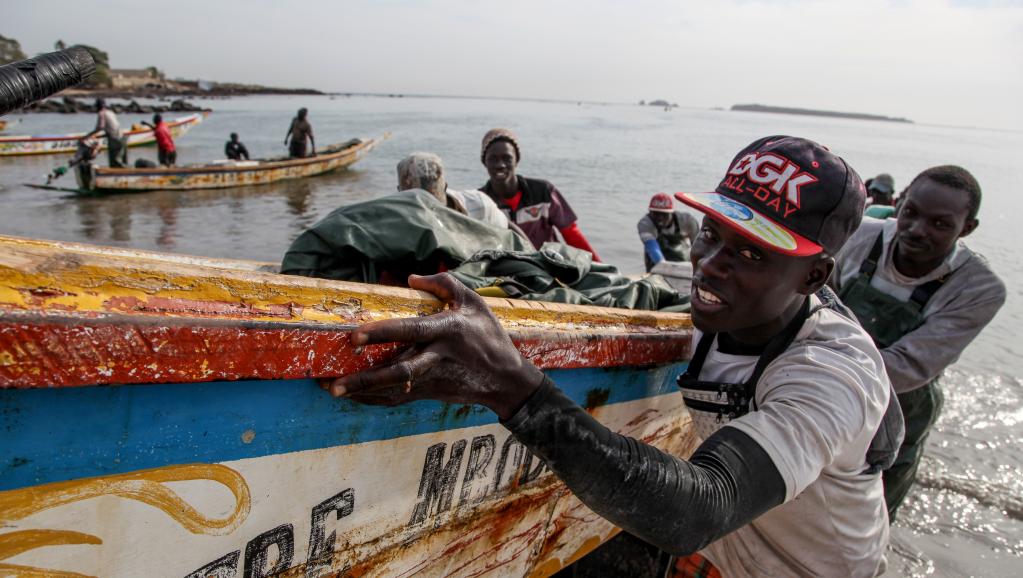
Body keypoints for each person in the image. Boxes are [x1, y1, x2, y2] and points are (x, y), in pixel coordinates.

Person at [327, 136, 900, 577]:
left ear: (815, 276)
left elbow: (699, 508)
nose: (712, 264)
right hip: (725, 557)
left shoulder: (831, 374)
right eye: (712, 234)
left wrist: (510, 385)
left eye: (751, 253)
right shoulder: (719, 307)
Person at [832, 165, 1005, 521]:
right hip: (827, 377)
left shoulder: (979, 288)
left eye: (941, 224)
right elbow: (809, 303)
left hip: (899, 404)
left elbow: (909, 365)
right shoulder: (857, 236)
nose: (917, 230)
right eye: (910, 214)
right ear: (898, 203)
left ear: (967, 229)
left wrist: (817, 374)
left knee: (867, 517)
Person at [479, 128, 601, 260]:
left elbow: (571, 232)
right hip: (507, 271)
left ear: (517, 160)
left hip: (549, 266)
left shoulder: (544, 192)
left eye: (507, 158)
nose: (500, 165)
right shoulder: (480, 202)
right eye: (493, 159)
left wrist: (599, 267)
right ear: (484, 162)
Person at [397, 152, 509, 230]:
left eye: (430, 200)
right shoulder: (395, 223)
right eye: (414, 200)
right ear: (399, 194)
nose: (425, 207)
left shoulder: (480, 206)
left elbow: (507, 233)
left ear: (445, 188)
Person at [638, 192, 700, 272]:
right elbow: (653, 249)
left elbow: (698, 247)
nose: (660, 219)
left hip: (682, 256)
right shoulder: (644, 224)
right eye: (656, 214)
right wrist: (665, 269)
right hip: (656, 258)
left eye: (664, 215)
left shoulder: (688, 221)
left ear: (671, 213)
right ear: (650, 212)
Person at [89, 98, 127, 168]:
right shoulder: (110, 112)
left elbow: (100, 127)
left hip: (114, 140)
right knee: (120, 161)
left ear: (98, 106)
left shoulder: (101, 113)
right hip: (122, 138)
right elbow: (112, 128)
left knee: (114, 162)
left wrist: (89, 135)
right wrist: (99, 136)